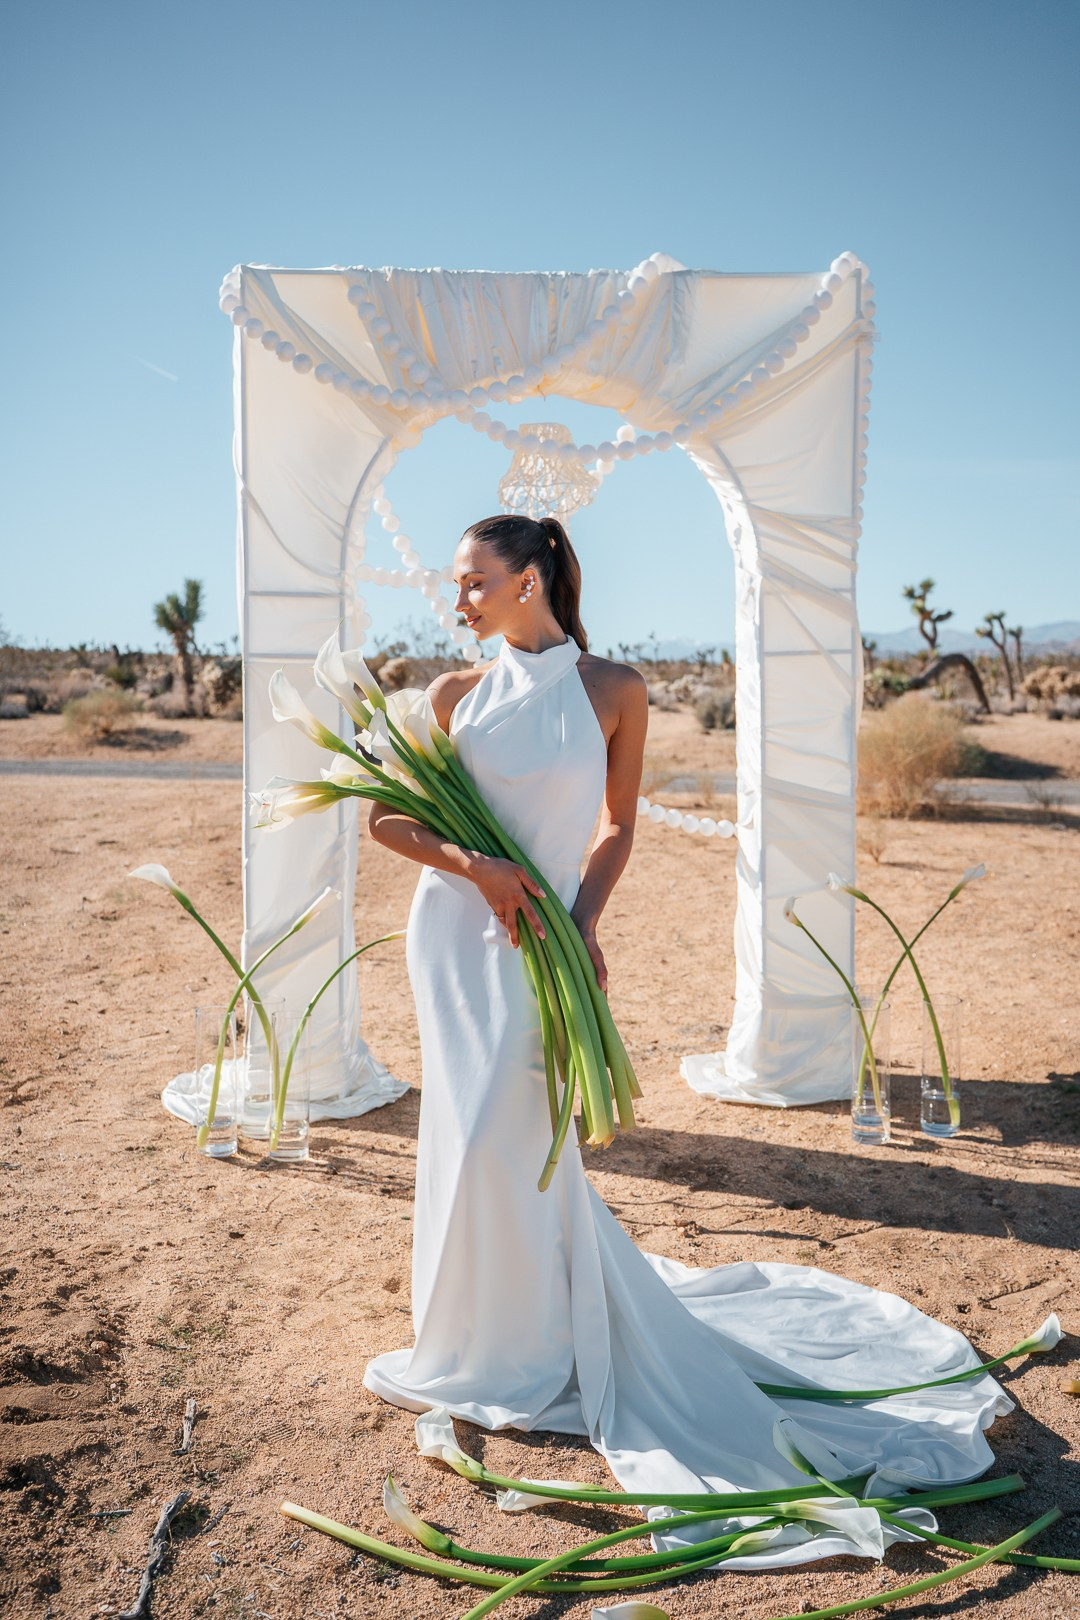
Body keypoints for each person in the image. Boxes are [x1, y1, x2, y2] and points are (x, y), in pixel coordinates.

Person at [361, 512, 1010, 1568]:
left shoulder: (614, 689)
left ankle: (533, 1330)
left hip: (545, 943)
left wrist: (579, 922)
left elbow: (618, 824)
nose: (459, 599)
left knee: (514, 1132)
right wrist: (472, 868)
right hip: (455, 939)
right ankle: (479, 1334)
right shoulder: (452, 695)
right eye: (457, 584)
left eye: (474, 581)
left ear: (530, 580)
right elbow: (383, 822)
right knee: (470, 1131)